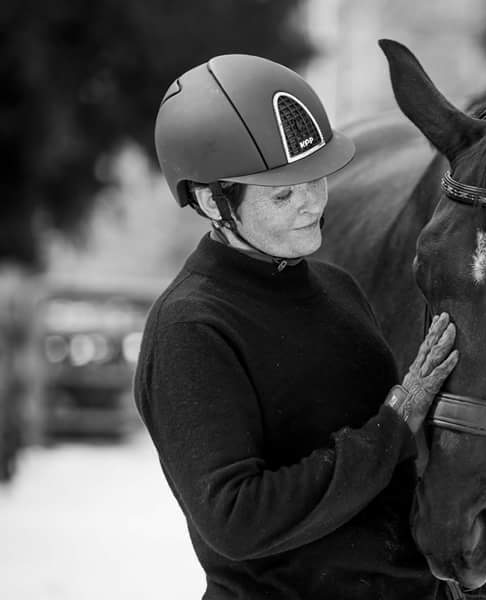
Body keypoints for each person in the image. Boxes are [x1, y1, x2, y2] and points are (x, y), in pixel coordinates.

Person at [135, 54, 458, 599]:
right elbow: (236, 519)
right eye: (283, 193)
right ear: (214, 200)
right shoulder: (190, 329)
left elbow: (387, 486)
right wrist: (393, 426)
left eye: (318, 178)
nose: (313, 203)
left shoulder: (338, 288)